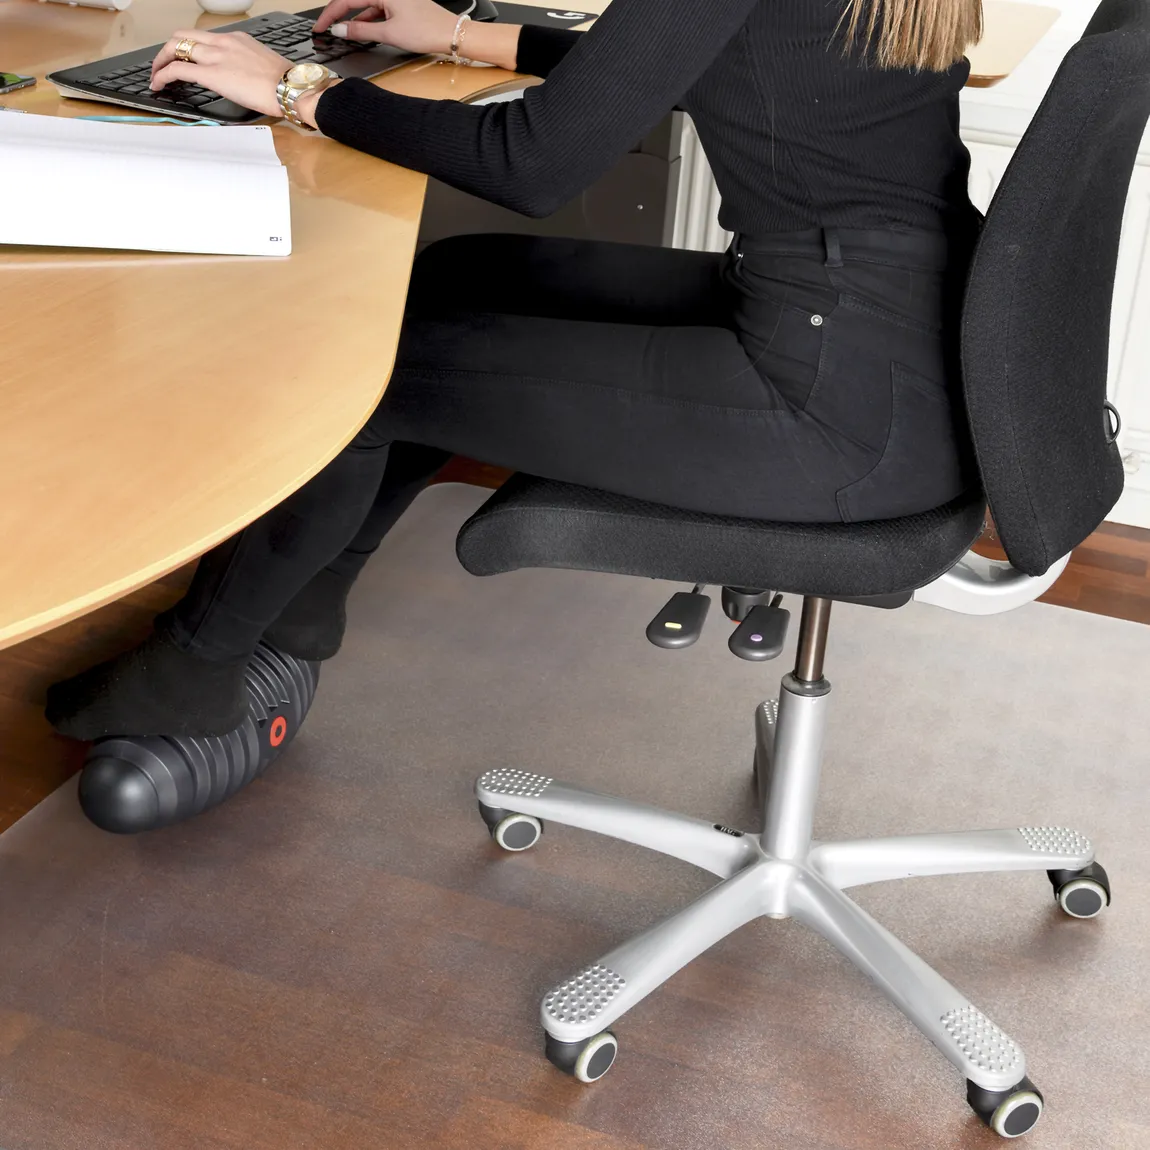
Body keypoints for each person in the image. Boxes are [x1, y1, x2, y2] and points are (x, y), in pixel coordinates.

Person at [47, 0, 985, 740]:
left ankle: (192, 668)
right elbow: (677, 60)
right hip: (888, 347)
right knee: (459, 277)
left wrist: (297, 89)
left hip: (831, 408)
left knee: (363, 376)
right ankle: (303, 609)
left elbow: (534, 164)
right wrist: (462, 37)